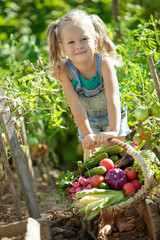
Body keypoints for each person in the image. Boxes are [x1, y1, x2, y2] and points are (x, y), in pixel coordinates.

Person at [46, 9, 135, 237]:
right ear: (62, 47)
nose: (79, 46)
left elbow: (113, 98)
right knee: (97, 168)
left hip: (113, 116)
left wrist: (113, 130)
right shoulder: (65, 70)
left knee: (117, 166)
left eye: (84, 39)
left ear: (94, 38)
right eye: (71, 42)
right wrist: (87, 135)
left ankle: (122, 214)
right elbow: (75, 106)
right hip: (88, 120)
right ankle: (106, 217)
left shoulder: (103, 62)